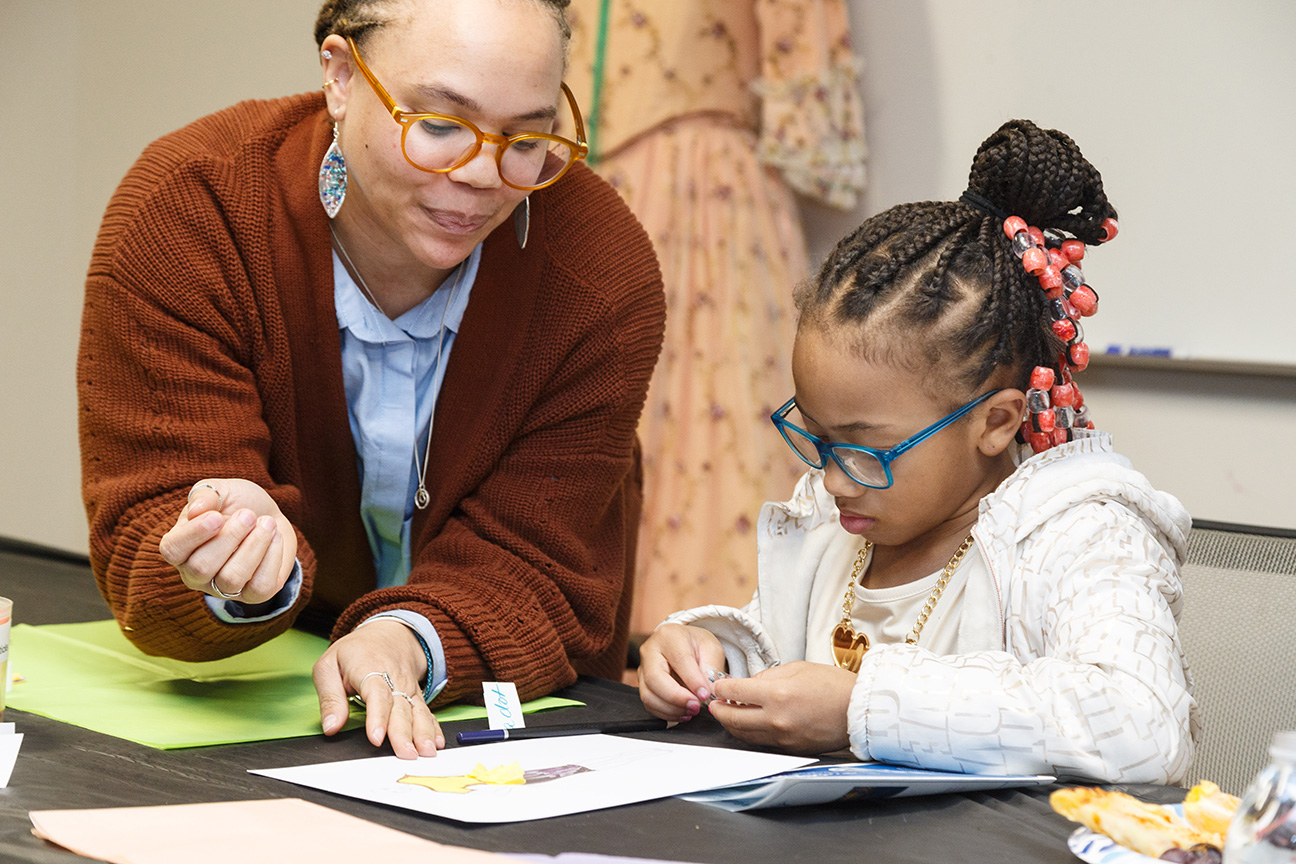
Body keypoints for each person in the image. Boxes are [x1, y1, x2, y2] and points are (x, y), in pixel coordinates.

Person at [77, 0, 665, 760]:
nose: (484, 176)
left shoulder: (597, 268)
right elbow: (144, 551)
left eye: (526, 135)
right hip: (266, 716)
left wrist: (404, 640)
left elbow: (541, 567)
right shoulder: (194, 211)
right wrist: (232, 557)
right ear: (342, 77)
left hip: (500, 720)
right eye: (442, 126)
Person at [637, 119, 1199, 784]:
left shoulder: (1082, 533)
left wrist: (862, 708)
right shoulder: (837, 523)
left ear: (995, 422)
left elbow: (1142, 727)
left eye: (867, 450)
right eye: (816, 437)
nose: (834, 478)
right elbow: (788, 659)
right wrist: (713, 656)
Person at [564, 0, 867, 632]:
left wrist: (803, 120)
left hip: (705, 194)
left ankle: (734, 648)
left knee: (713, 420)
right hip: (581, 179)